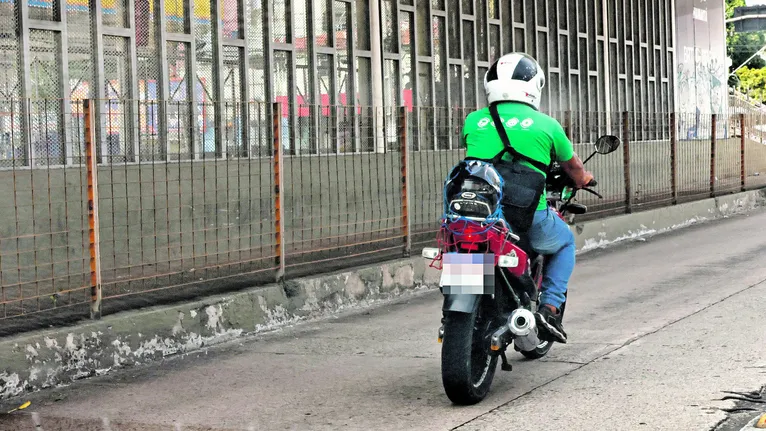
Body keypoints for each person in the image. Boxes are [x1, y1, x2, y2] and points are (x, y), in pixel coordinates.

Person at [461, 52, 594, 344]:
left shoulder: (473, 121)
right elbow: (574, 168)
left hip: (475, 215)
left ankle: (455, 314)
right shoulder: (547, 125)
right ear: (534, 86)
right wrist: (585, 179)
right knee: (565, 242)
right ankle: (549, 307)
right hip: (524, 215)